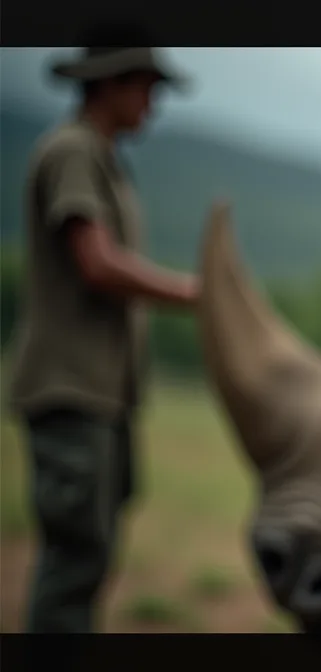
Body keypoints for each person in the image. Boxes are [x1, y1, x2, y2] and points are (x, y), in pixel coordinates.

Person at [6, 46, 200, 632]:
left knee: (90, 550)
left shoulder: (105, 159)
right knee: (76, 554)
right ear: (110, 85)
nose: (152, 105)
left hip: (101, 390)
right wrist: (193, 293)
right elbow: (97, 262)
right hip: (71, 385)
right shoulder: (73, 152)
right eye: (145, 88)